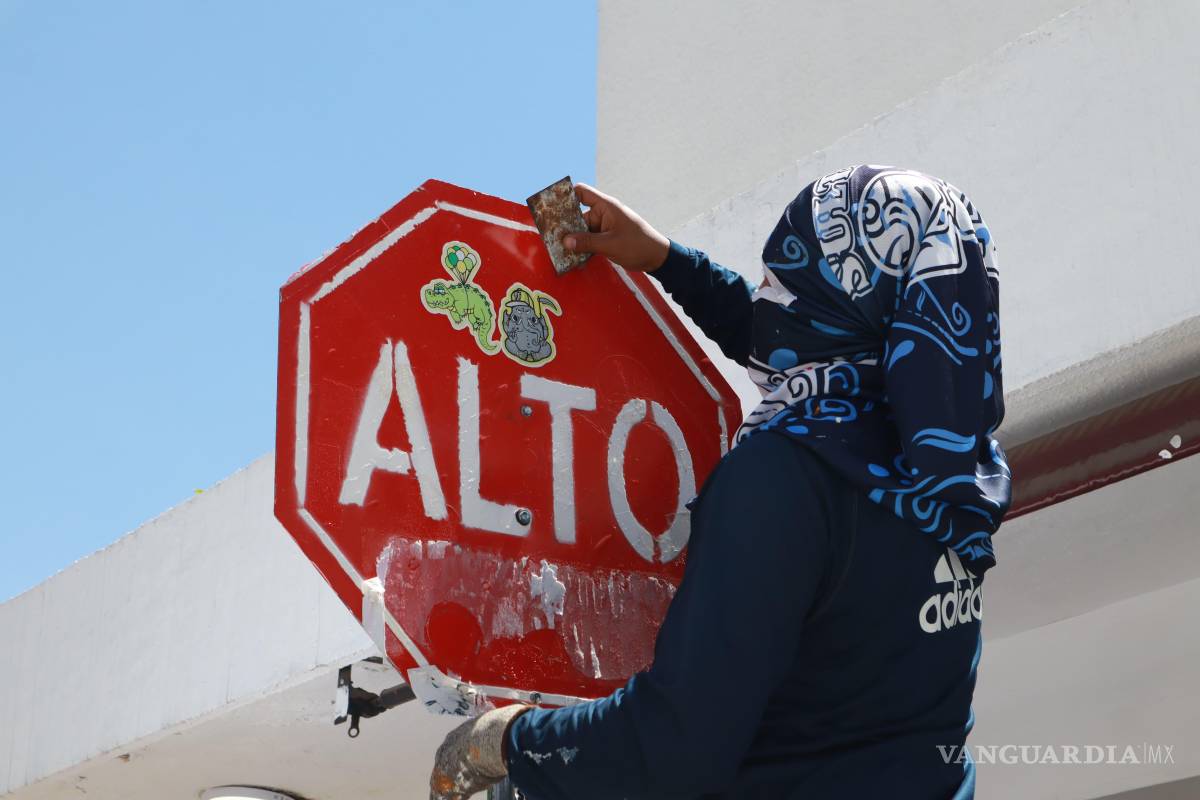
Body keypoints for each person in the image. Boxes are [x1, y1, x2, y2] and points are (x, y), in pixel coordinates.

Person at [428, 165, 1011, 800]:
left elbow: (672, 747)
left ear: (839, 304)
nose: (766, 294)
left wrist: (508, 742)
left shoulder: (786, 479)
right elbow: (792, 338)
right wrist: (666, 260)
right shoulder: (952, 465)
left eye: (785, 279)